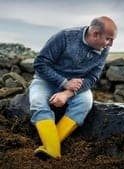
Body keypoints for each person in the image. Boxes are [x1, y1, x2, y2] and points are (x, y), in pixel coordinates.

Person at [29, 16, 117, 160]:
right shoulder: (64, 37)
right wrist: (64, 82)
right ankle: (54, 150)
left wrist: (67, 93)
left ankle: (51, 146)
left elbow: (93, 78)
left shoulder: (103, 49)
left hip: (75, 87)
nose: (110, 44)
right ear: (95, 34)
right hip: (45, 81)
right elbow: (40, 64)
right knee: (37, 101)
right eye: (108, 39)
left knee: (85, 102)